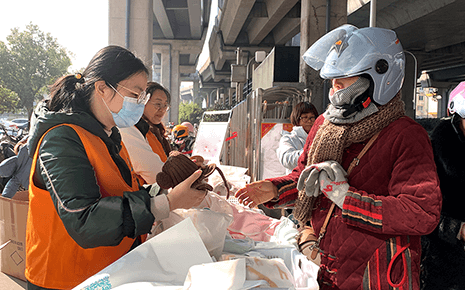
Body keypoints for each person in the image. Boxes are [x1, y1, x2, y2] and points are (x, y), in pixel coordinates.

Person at [235, 24, 441, 289]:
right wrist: (273, 189)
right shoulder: (324, 125)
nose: (335, 85)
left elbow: (422, 212)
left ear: (380, 76)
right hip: (325, 266)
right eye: (333, 76)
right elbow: (306, 178)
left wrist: (347, 199)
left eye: (346, 75)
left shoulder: (405, 135)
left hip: (376, 275)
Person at [25, 45, 206, 290]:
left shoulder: (109, 137)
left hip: (107, 272)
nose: (140, 104)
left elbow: (123, 190)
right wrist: (168, 203)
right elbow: (85, 220)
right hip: (65, 280)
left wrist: (161, 191)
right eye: (136, 93)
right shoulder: (61, 139)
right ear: (102, 88)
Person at [420, 83, 465, 290]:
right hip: (444, 264)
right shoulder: (432, 154)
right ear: (457, 119)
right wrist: (458, 230)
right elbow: (417, 212)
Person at [120, 81, 172, 184]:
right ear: (142, 101)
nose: (162, 110)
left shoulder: (155, 133)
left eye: (165, 105)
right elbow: (155, 174)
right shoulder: (131, 129)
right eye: (158, 104)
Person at [277, 101, 319, 174]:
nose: (309, 121)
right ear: (297, 119)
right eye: (305, 117)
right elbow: (287, 159)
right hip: (296, 182)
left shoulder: (319, 137)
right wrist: (311, 152)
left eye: (312, 117)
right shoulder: (288, 138)